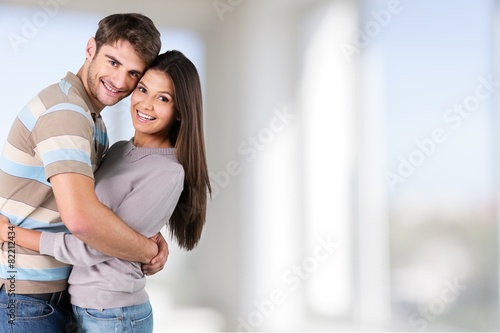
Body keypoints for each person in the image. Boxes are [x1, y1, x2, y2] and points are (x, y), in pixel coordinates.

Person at [1, 50, 211, 332]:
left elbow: (91, 243)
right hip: (86, 306)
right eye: (143, 90)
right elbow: (94, 210)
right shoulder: (119, 150)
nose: (145, 104)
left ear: (181, 111)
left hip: (115, 313)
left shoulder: (168, 172)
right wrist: (146, 240)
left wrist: (10, 234)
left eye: (163, 98)